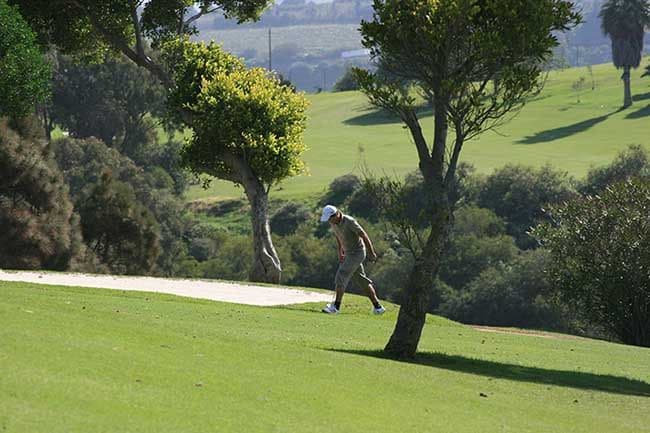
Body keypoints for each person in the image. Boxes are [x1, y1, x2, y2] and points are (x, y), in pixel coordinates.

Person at [319, 205, 385, 315]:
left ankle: (335, 307)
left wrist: (371, 252)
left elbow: (364, 235)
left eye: (330, 218)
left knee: (341, 274)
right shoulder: (333, 223)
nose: (329, 221)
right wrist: (340, 251)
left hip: (357, 253)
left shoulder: (349, 221)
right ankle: (378, 307)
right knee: (361, 280)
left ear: (337, 214)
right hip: (349, 253)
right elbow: (338, 236)